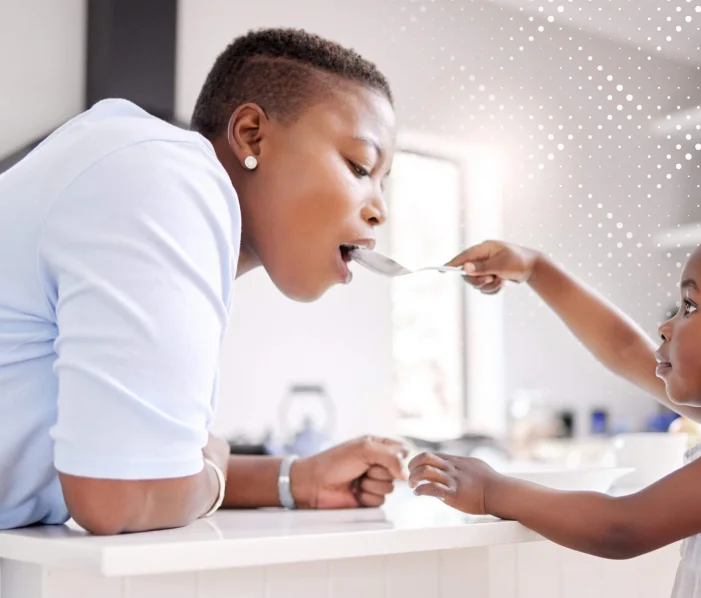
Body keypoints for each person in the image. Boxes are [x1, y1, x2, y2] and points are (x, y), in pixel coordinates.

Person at [0, 28, 407, 534]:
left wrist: (297, 479)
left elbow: (139, 466)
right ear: (251, 134)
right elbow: (118, 499)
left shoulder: (152, 175)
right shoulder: (165, 178)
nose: (379, 210)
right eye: (360, 166)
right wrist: (211, 474)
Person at [409, 204, 701, 597]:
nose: (666, 325)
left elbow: (623, 528)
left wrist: (496, 490)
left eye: (690, 306)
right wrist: (536, 269)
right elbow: (625, 349)